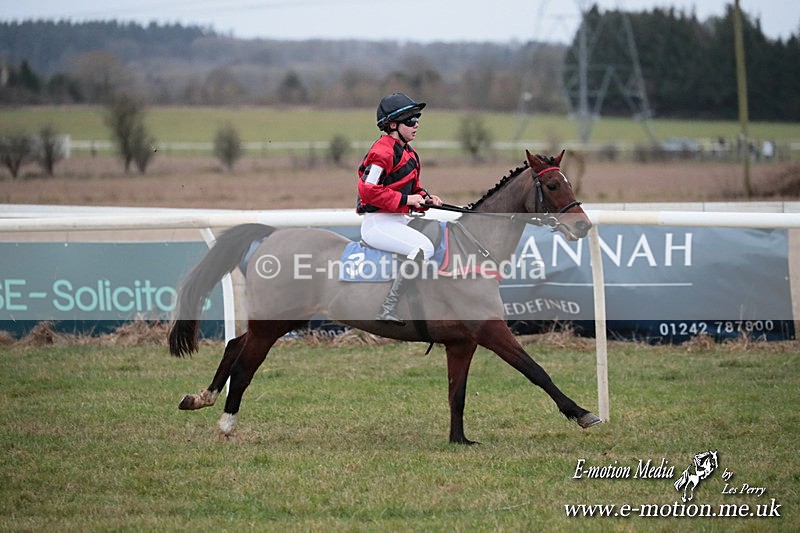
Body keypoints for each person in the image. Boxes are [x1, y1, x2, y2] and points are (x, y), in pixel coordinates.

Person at [356, 92, 443, 325]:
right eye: (410, 121)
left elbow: (414, 188)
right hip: (378, 223)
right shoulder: (381, 152)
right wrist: (407, 200)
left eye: (417, 120)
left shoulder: (410, 154)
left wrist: (426, 198)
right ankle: (388, 306)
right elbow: (367, 190)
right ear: (393, 125)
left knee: (437, 230)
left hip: (397, 219)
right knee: (423, 246)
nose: (416, 125)